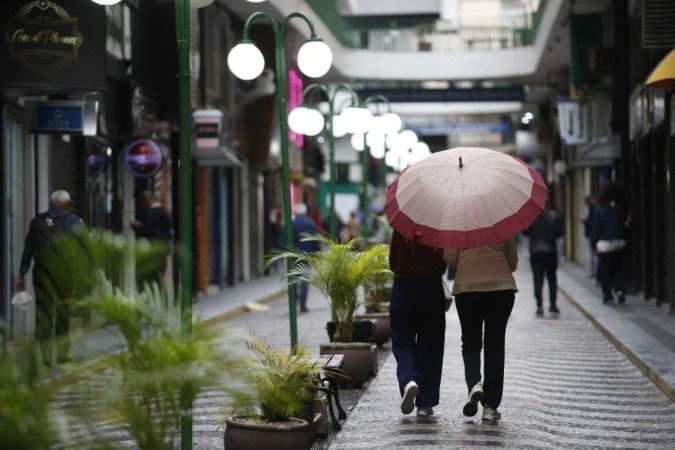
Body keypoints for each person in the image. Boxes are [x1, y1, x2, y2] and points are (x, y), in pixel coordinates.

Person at [444, 237, 518, 422]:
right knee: (495, 345)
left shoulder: (458, 224)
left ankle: (474, 384)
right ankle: (490, 407)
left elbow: (450, 259)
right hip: (501, 290)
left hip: (468, 290)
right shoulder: (501, 220)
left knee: (470, 342)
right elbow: (513, 263)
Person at [16, 190, 84, 366]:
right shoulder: (73, 221)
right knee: (62, 312)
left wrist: (22, 273)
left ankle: (45, 355)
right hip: (63, 273)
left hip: (41, 272)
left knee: (44, 313)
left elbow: (28, 249)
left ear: (51, 203)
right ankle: (62, 354)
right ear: (67, 204)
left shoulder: (38, 221)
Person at [389, 230, 447, 417]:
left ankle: (408, 381)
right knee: (431, 346)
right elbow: (443, 263)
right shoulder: (438, 228)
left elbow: (392, 262)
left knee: (402, 342)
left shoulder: (401, 227)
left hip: (403, 288)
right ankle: (425, 404)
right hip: (431, 289)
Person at [590, 184, 628, 304]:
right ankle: (619, 289)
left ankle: (608, 295)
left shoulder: (598, 210)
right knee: (618, 268)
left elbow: (595, 228)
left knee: (605, 270)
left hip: (604, 245)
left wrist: (593, 244)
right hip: (619, 243)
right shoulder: (620, 209)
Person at [523, 206, 565, 316]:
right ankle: (553, 305)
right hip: (550, 251)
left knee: (537, 279)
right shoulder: (554, 216)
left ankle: (539, 305)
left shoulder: (530, 217)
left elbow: (525, 232)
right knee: (552, 279)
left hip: (536, 252)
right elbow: (561, 232)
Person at [282, 203, 319, 312]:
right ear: (305, 212)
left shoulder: (290, 223)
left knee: (293, 280)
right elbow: (315, 240)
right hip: (308, 255)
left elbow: (284, 240)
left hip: (293, 256)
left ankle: (294, 301)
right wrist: (316, 252)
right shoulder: (310, 223)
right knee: (304, 280)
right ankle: (302, 303)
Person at [131, 191, 172, 287]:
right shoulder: (164, 211)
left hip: (154, 249)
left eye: (144, 203)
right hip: (164, 248)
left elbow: (147, 231)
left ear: (147, 200)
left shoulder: (151, 213)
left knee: (153, 277)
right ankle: (163, 297)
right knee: (160, 275)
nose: (144, 206)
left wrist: (137, 226)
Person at [582, 196, 598, 278]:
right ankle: (594, 271)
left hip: (592, 235)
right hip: (591, 234)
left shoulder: (594, 210)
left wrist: (586, 222)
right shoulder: (592, 210)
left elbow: (592, 223)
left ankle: (595, 271)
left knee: (593, 254)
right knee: (592, 254)